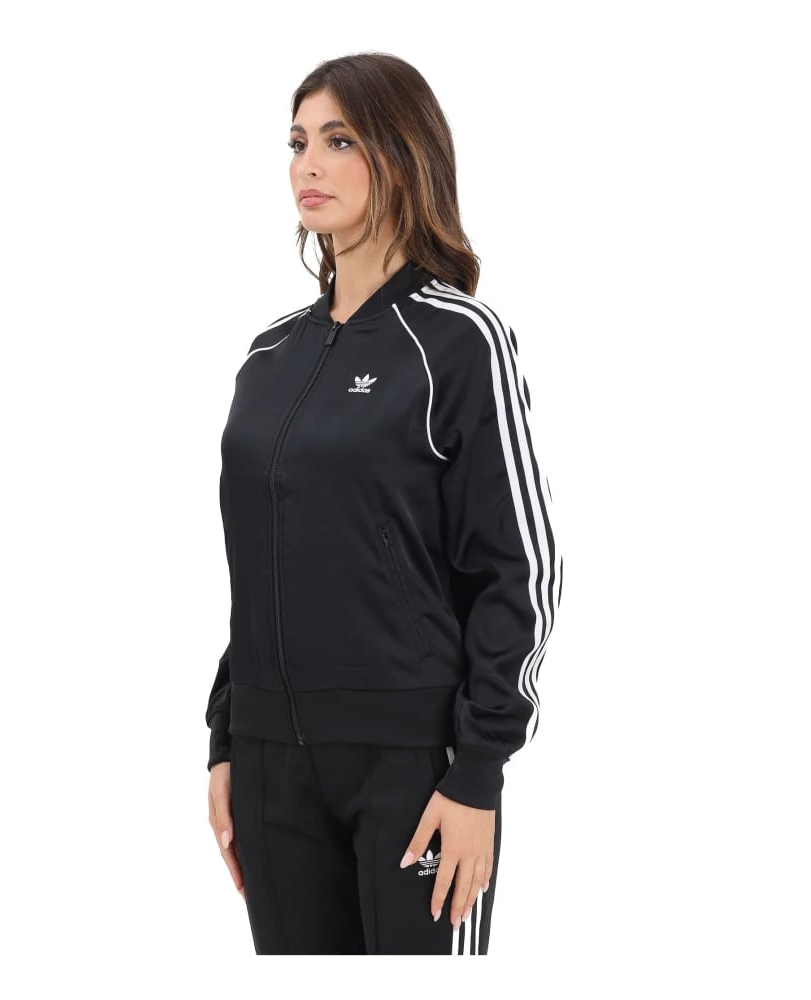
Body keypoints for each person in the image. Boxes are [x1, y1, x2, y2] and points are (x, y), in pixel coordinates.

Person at [205, 51, 563, 955]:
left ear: (400, 157)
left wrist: (477, 771)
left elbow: (520, 567)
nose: (308, 166)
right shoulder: (269, 357)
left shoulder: (458, 340)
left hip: (413, 769)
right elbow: (262, 566)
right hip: (271, 771)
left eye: (340, 141)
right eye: (297, 143)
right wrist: (227, 737)